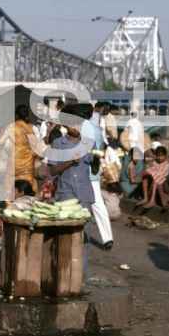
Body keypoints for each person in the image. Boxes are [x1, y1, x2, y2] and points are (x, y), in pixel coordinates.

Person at [48, 104, 100, 274]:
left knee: (83, 236)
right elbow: (53, 171)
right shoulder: (57, 143)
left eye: (79, 124)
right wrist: (70, 161)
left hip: (84, 194)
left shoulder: (89, 143)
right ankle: (62, 273)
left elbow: (94, 171)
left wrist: (97, 161)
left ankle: (80, 275)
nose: (76, 128)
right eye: (72, 124)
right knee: (64, 235)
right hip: (65, 194)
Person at [79, 103, 114, 250]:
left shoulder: (79, 128)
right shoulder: (97, 130)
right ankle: (107, 238)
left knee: (79, 203)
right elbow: (99, 153)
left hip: (79, 170)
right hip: (93, 171)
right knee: (98, 204)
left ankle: (79, 235)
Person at [0, 104, 38, 203]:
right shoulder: (32, 129)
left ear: (16, 115)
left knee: (10, 184)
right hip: (28, 163)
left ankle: (11, 207)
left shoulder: (11, 127)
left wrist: (9, 151)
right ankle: (28, 206)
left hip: (14, 162)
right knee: (27, 185)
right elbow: (38, 150)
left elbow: (0, 142)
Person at [40, 128, 63, 201]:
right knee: (57, 200)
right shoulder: (62, 151)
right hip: (58, 179)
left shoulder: (48, 149)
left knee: (45, 199)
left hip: (49, 180)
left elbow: (40, 157)